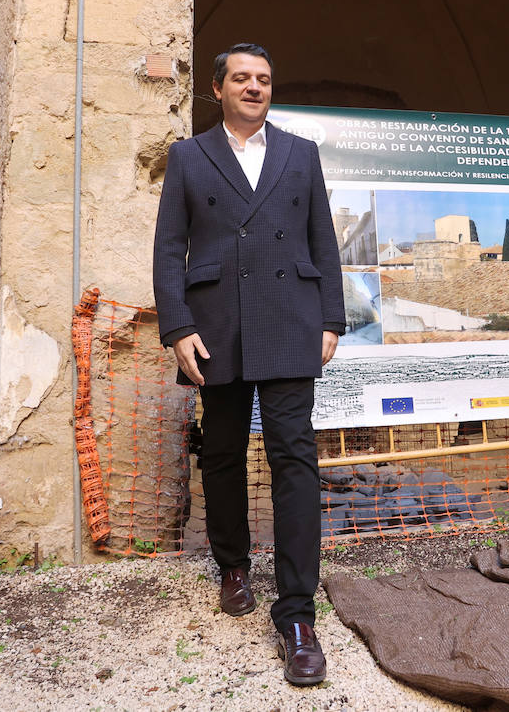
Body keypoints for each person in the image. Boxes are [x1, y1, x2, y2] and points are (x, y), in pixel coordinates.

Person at [153, 43, 345, 684]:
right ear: (217, 88)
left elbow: (323, 236)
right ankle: (232, 564)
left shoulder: (301, 153)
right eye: (241, 78)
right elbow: (168, 247)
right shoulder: (187, 156)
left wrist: (331, 318)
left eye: (264, 78)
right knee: (224, 450)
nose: (254, 87)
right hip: (217, 323)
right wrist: (176, 326)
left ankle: (296, 614)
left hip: (291, 316)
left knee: (295, 455)